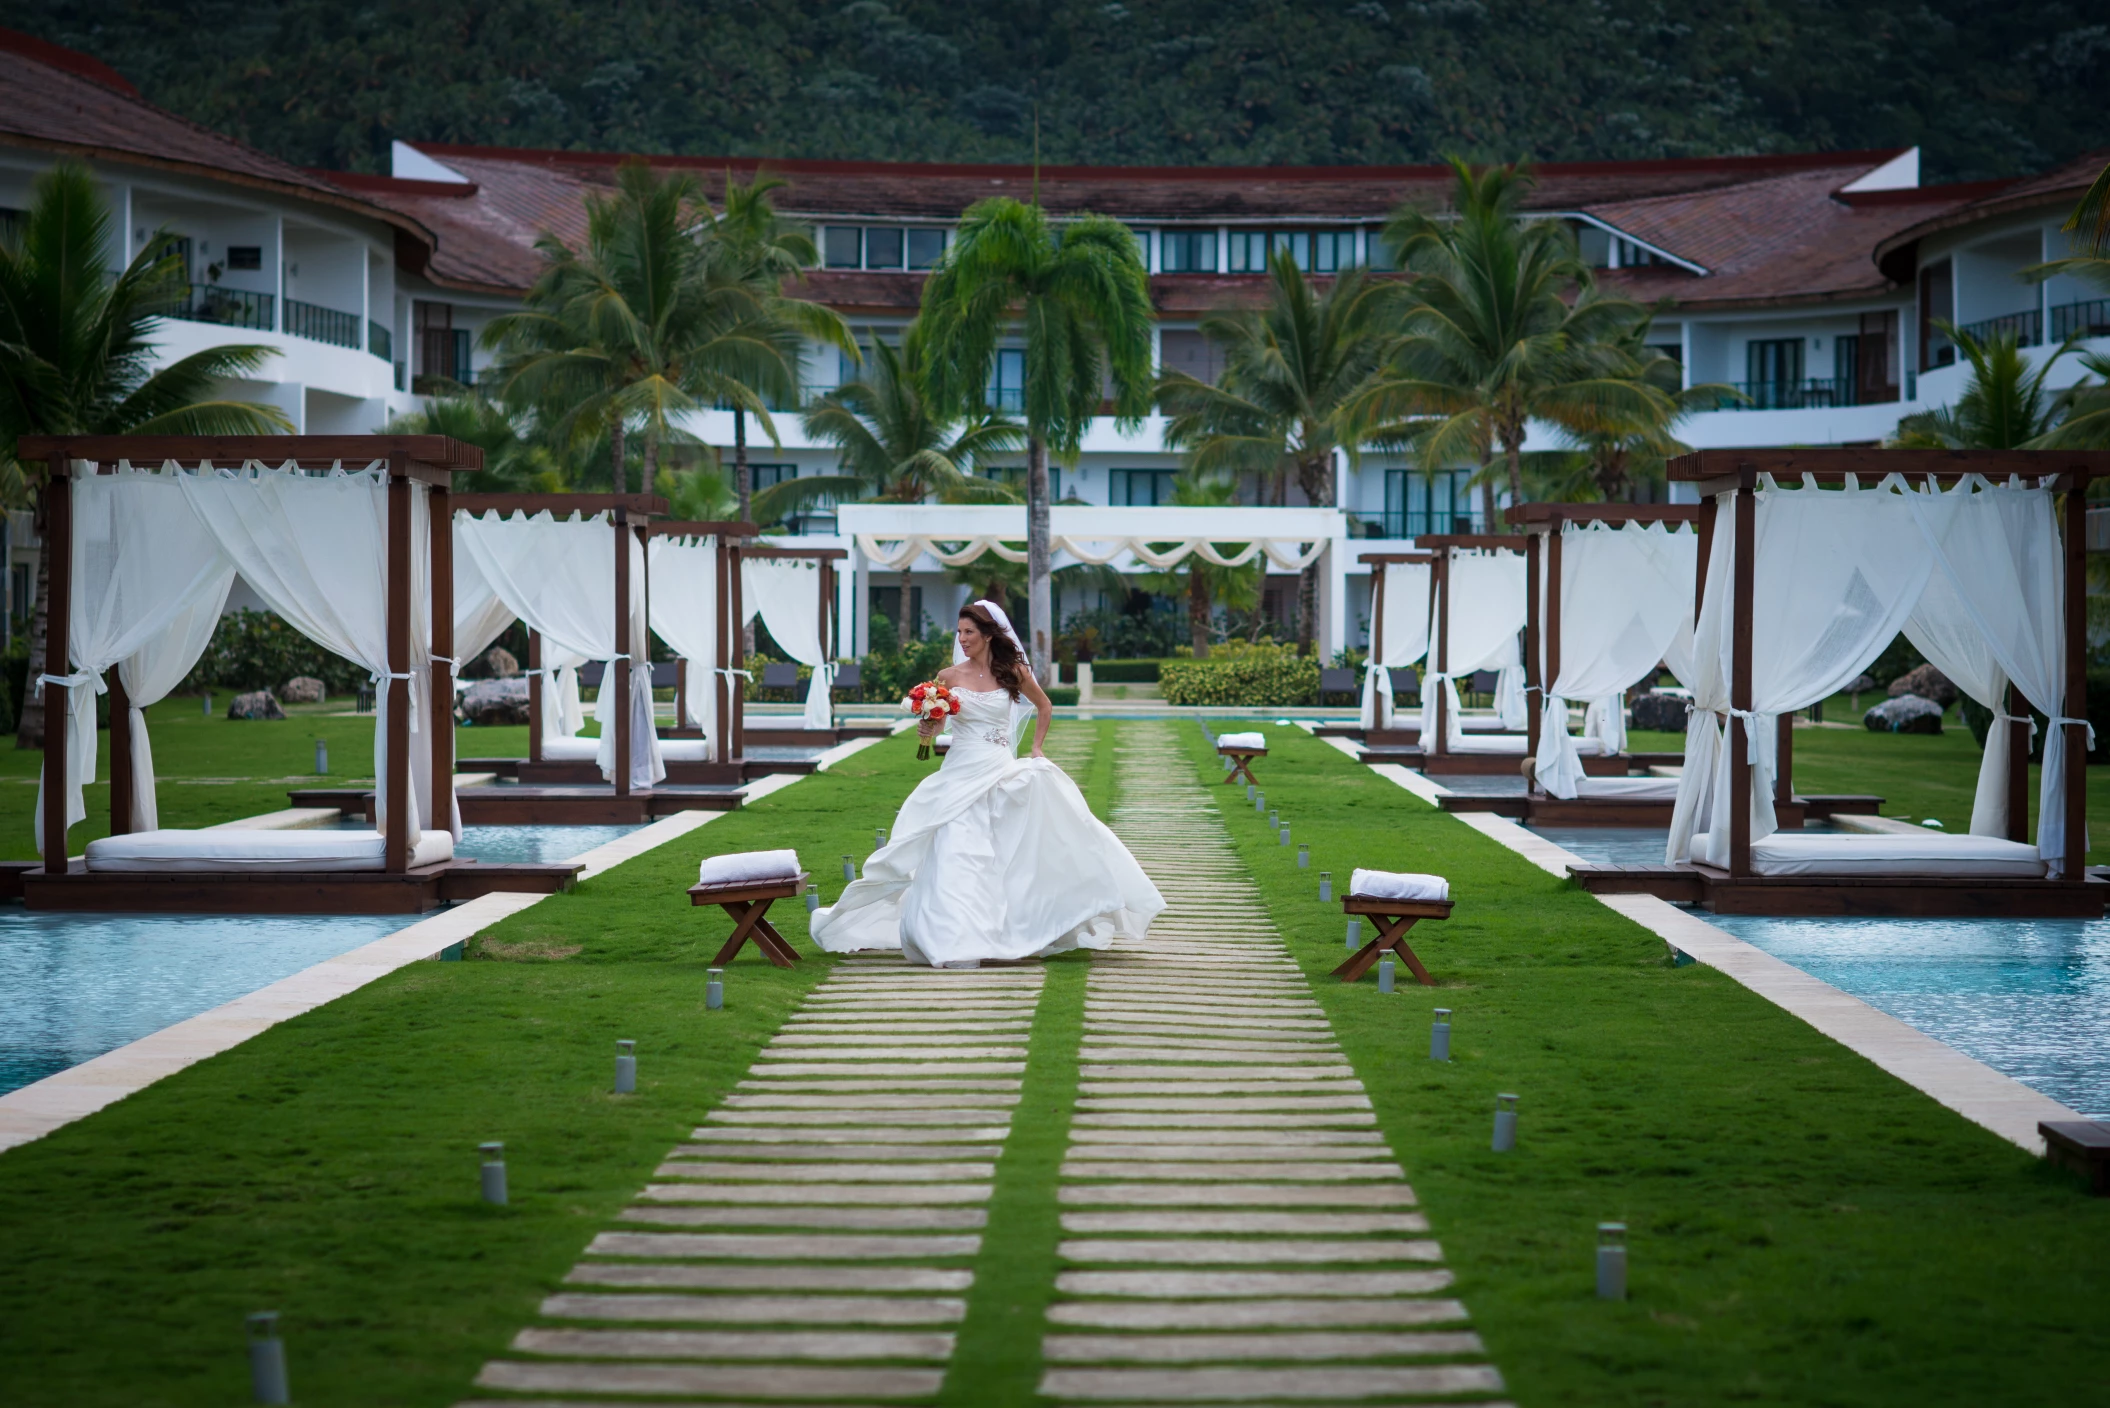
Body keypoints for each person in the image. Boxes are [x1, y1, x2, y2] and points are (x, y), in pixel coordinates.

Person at [809, 599, 1164, 967]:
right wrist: (928, 727)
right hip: (960, 771)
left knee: (1007, 848)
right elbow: (941, 723)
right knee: (956, 850)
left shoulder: (1012, 671)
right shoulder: (948, 677)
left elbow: (1045, 706)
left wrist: (1037, 748)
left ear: (989, 635)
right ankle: (950, 935)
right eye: (959, 632)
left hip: (998, 767)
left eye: (969, 632)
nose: (963, 639)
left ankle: (1011, 925)